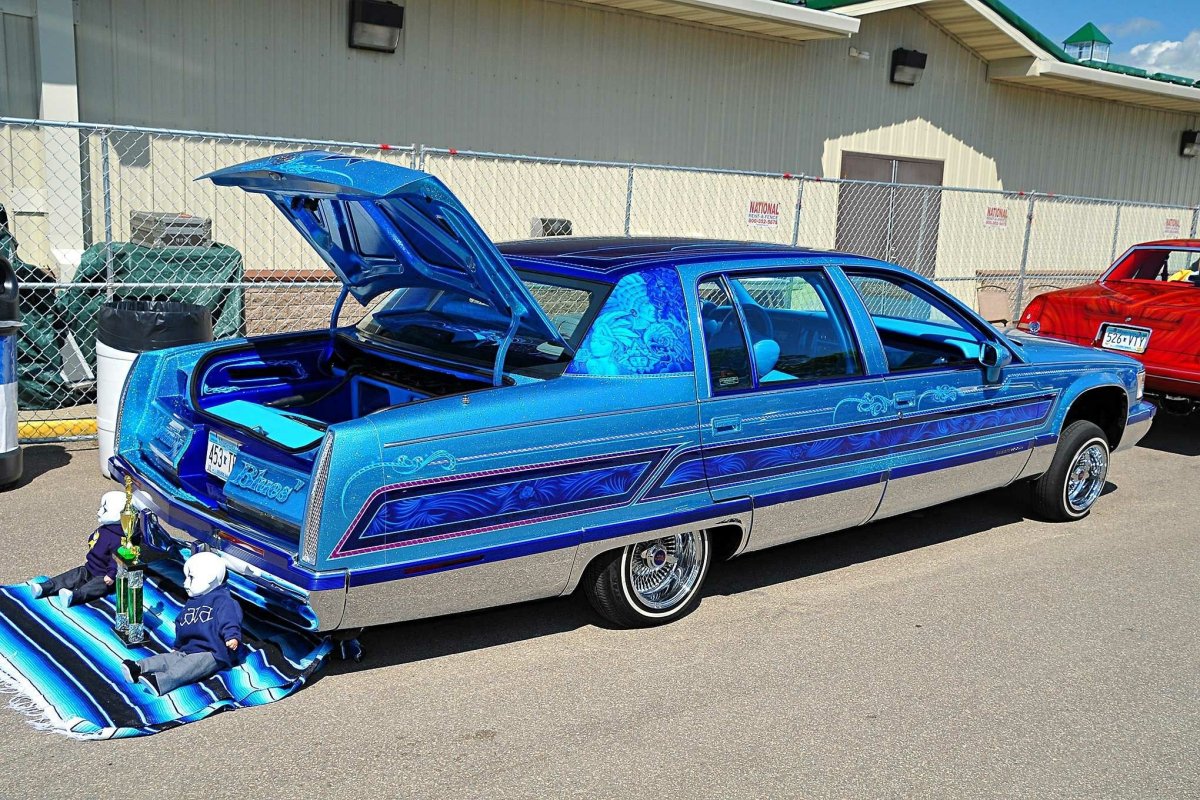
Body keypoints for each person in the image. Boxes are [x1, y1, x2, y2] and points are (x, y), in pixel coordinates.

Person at [121, 551, 243, 695]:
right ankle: (138, 668)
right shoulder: (193, 601)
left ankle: (160, 682)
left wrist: (231, 636)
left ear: (210, 578)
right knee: (168, 659)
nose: (185, 583)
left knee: (186, 668)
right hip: (188, 647)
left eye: (191, 578)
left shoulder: (224, 601)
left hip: (212, 652)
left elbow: (229, 619)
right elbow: (182, 624)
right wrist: (178, 646)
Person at [26, 491, 124, 608]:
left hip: (103, 576)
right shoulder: (105, 529)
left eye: (105, 509)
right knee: (71, 576)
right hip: (89, 568)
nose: (99, 511)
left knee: (93, 588)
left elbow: (117, 558)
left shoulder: (119, 538)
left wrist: (111, 574)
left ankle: (74, 596)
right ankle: (45, 587)